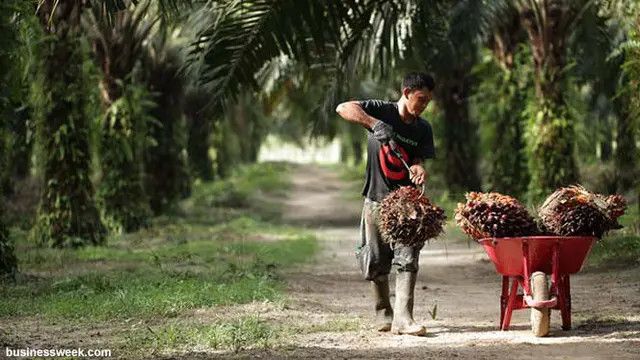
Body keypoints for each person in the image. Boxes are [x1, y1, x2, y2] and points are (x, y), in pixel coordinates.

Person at [335, 72, 436, 336]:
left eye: (427, 101)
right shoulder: (382, 111)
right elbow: (343, 107)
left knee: (408, 257)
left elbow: (417, 159)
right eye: (420, 99)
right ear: (405, 93)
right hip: (376, 200)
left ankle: (404, 318)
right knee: (377, 261)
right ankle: (384, 313)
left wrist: (418, 168)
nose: (424, 105)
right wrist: (373, 124)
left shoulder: (423, 128)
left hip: (406, 204)